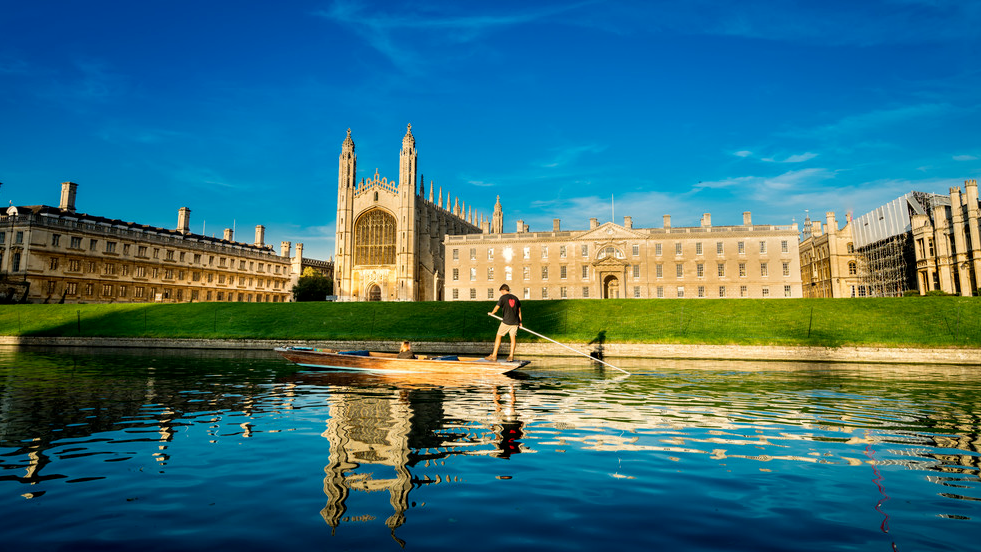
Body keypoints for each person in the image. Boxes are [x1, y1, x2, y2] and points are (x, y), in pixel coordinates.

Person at [487, 284, 522, 362]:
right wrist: (520, 322)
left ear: (503, 290)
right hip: (515, 322)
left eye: (501, 292)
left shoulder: (503, 298)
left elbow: (497, 308)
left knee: (498, 336)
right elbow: (519, 311)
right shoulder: (516, 298)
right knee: (513, 338)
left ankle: (494, 355)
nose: (501, 293)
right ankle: (511, 356)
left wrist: (492, 313)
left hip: (506, 322)